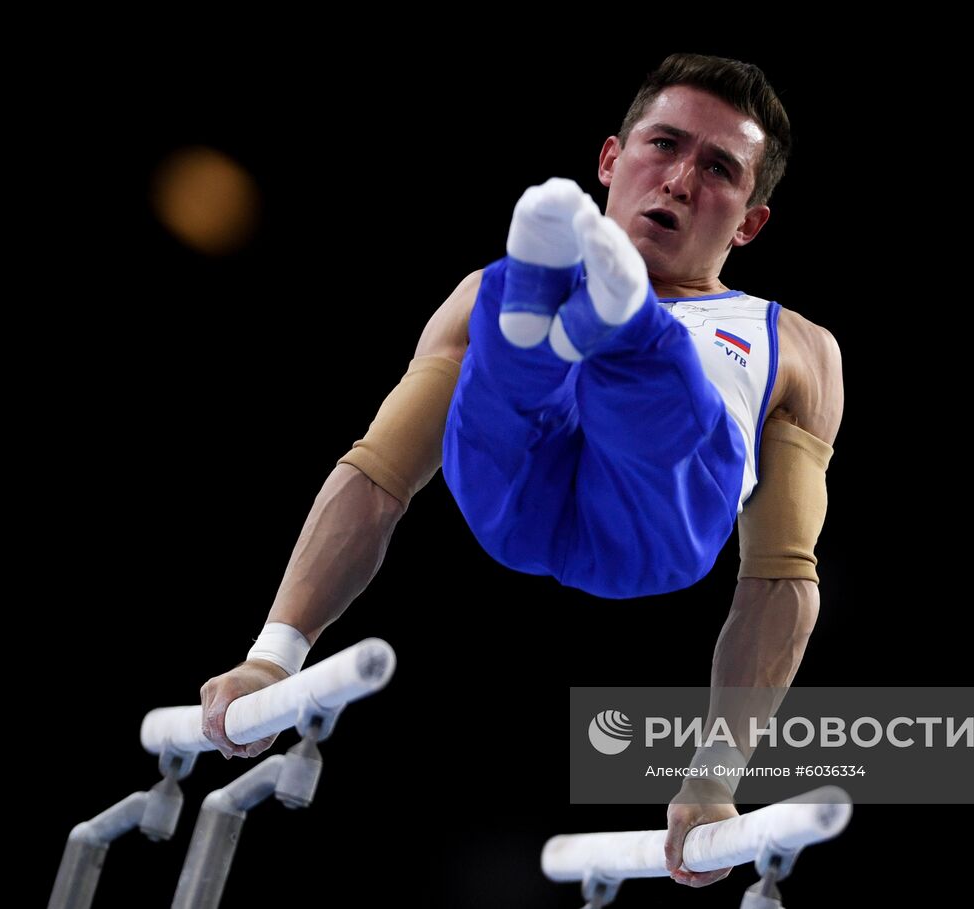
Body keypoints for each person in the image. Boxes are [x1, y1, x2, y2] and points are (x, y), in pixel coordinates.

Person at [199, 53, 843, 890]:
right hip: (513, 497)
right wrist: (273, 655)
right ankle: (581, 316)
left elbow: (780, 577)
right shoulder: (478, 295)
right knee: (499, 346)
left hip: (651, 529)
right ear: (611, 160)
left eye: (718, 168)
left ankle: (626, 332)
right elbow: (379, 472)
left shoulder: (796, 349)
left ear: (750, 222)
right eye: (664, 145)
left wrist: (714, 778)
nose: (681, 180)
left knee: (669, 413)